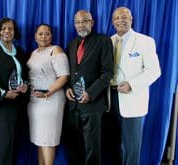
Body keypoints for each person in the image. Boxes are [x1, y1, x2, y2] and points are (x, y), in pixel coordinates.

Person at [106, 7, 161, 165]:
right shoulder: (109, 41)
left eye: (124, 17)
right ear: (112, 21)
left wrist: (131, 84)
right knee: (113, 145)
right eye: (116, 18)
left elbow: (154, 71)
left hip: (132, 99)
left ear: (131, 19)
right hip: (111, 98)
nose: (120, 20)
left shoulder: (145, 41)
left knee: (131, 147)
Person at [64, 10, 113, 165]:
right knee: (73, 147)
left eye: (84, 21)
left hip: (92, 104)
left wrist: (91, 93)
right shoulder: (71, 44)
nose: (81, 25)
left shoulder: (103, 41)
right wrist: (67, 88)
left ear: (92, 22)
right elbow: (70, 72)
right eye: (77, 22)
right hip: (73, 106)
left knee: (92, 148)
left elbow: (107, 73)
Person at [0, 17, 29, 165]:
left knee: (15, 143)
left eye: (10, 28)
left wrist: (26, 85)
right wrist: (4, 93)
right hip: (1, 106)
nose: (7, 31)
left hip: (18, 104)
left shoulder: (20, 51)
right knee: (5, 144)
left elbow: (25, 75)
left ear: (15, 32)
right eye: (3, 29)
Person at [27, 24, 69, 165]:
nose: (43, 37)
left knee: (48, 140)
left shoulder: (55, 50)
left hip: (50, 101)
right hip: (34, 103)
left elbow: (64, 76)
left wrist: (48, 92)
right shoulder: (34, 53)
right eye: (40, 34)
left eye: (47, 34)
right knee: (40, 140)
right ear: (35, 36)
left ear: (52, 35)